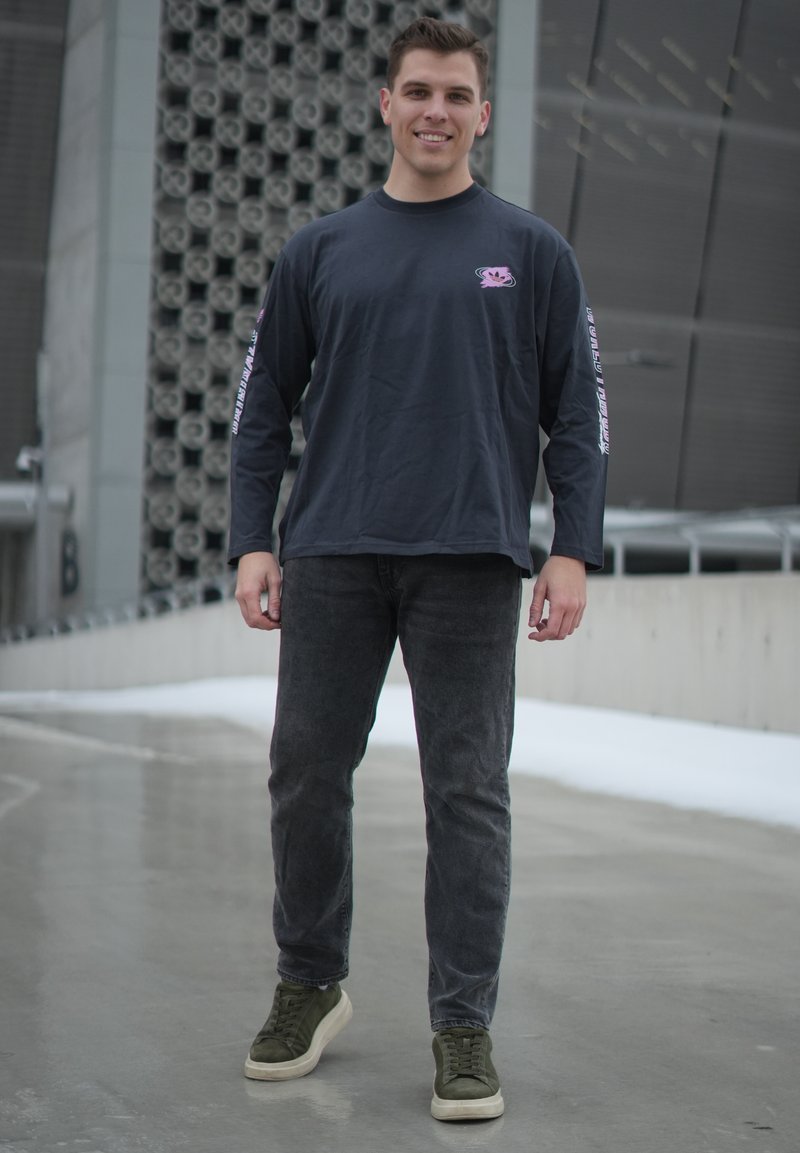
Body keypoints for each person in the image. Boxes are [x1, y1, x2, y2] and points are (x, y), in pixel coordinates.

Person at [229, 16, 608, 1122]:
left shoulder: (531, 251)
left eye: (455, 94)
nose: (435, 110)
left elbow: (576, 413)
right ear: (384, 106)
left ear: (480, 114)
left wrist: (573, 546)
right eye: (416, 92)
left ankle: (461, 1023)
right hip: (334, 550)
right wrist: (256, 535)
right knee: (304, 773)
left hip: (472, 556)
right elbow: (261, 412)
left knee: (467, 796)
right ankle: (310, 982)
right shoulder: (319, 251)